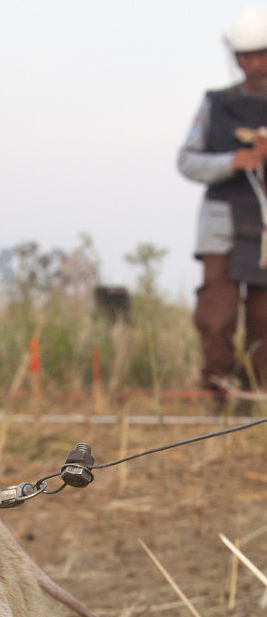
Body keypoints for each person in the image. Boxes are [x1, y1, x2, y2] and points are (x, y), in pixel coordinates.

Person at [178, 5, 267, 397]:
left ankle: (259, 398)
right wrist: (233, 161)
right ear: (237, 59)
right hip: (222, 229)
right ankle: (218, 392)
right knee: (217, 315)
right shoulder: (214, 104)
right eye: (247, 55)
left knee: (264, 320)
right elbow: (187, 160)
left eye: (263, 54)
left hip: (264, 229)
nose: (256, 63)